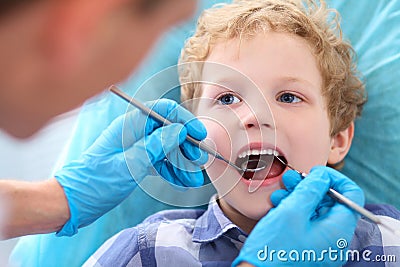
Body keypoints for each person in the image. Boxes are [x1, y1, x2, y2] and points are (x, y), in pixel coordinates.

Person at [84, 0, 400, 266]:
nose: (255, 116)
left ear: (338, 140)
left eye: (288, 97)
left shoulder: (389, 243)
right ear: (195, 136)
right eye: (228, 98)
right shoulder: (147, 252)